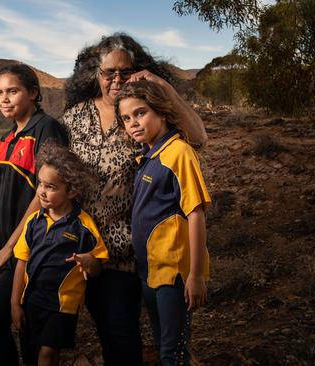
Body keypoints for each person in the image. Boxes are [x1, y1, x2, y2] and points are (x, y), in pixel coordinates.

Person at [62, 32, 208, 365]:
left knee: (125, 330)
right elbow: (55, 171)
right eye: (108, 72)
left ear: (136, 72)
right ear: (95, 74)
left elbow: (198, 138)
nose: (116, 79)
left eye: (124, 72)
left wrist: (162, 86)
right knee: (106, 330)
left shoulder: (143, 114)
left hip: (130, 249)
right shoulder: (75, 117)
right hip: (86, 245)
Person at [115, 80, 211, 365]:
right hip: (150, 272)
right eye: (126, 118)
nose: (133, 123)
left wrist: (194, 275)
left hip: (175, 275)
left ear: (162, 113)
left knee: (174, 353)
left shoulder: (179, 153)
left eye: (140, 113)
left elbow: (195, 213)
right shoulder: (148, 155)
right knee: (161, 347)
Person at [0, 64, 69, 366]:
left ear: (33, 93)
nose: (4, 99)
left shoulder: (46, 129)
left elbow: (45, 194)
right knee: (19, 326)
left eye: (13, 91)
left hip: (35, 249)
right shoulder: (6, 140)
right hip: (7, 253)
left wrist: (9, 248)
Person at [11, 142, 109, 366]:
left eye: (51, 187)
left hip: (61, 305)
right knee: (31, 356)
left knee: (47, 354)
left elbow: (97, 267)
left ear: (71, 190)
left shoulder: (83, 226)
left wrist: (89, 261)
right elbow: (21, 263)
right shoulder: (33, 222)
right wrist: (14, 303)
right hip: (31, 301)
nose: (42, 192)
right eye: (40, 184)